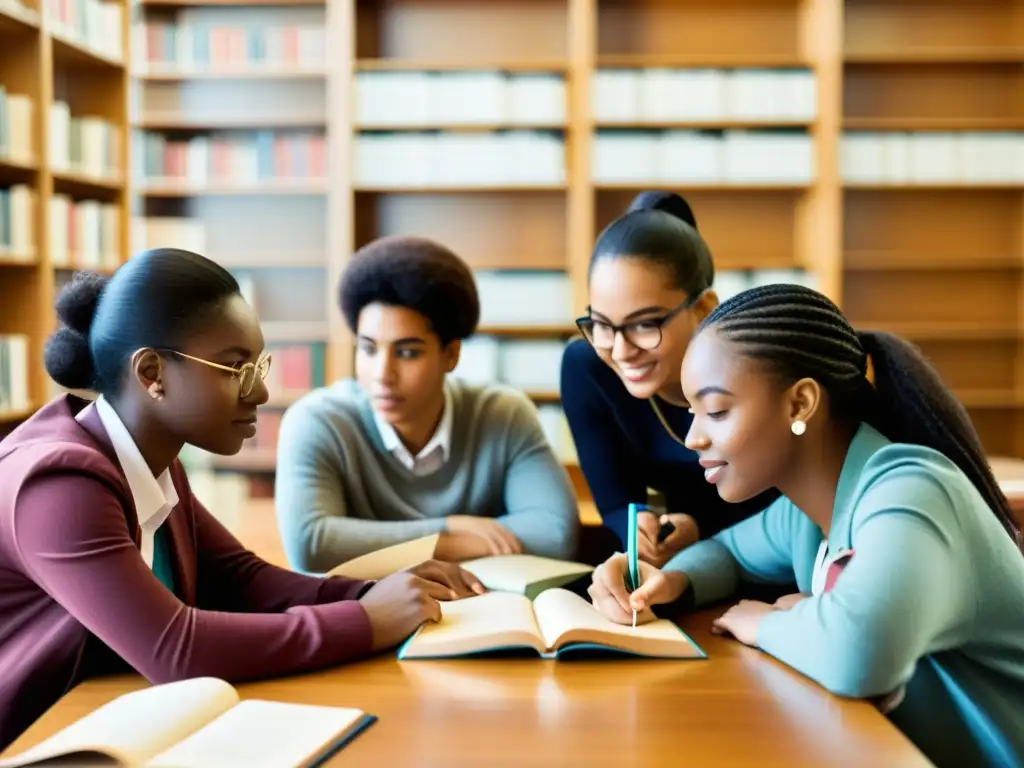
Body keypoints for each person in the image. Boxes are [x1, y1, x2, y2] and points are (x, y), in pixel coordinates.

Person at [0, 250, 485, 752]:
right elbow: (175, 648)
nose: (260, 392)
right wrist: (368, 621)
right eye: (235, 369)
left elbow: (240, 578)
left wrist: (371, 592)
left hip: (110, 725)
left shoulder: (149, 459)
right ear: (151, 374)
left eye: (258, 365)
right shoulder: (58, 484)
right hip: (36, 745)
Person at [588, 283, 1024, 768]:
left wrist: (772, 622)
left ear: (800, 404)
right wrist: (669, 580)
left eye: (716, 411)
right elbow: (729, 553)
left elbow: (859, 655)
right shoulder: (807, 509)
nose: (692, 437)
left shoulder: (910, 490)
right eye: (692, 413)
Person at [275, 235, 580, 574]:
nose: (382, 374)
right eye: (368, 348)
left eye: (407, 352)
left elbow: (556, 533)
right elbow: (312, 544)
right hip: (367, 617)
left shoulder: (502, 414)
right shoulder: (319, 421)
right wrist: (448, 534)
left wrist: (376, 547)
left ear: (450, 354)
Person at [561, 190, 777, 566]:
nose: (621, 351)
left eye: (645, 324)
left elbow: (787, 506)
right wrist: (638, 525)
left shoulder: (757, 371)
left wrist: (700, 527)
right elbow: (615, 501)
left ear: (704, 308)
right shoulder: (588, 368)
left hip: (774, 555)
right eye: (601, 325)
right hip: (688, 564)